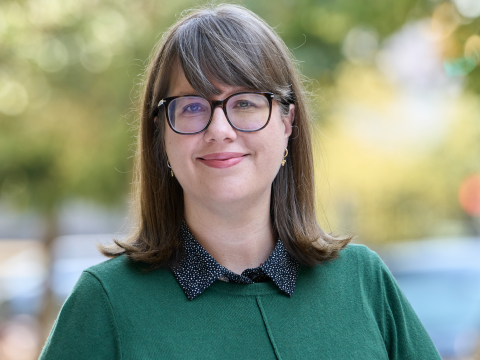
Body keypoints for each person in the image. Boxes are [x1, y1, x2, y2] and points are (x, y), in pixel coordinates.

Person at [39, 4, 442, 359]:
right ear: (160, 134)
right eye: (192, 106)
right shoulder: (106, 303)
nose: (219, 129)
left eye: (246, 103)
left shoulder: (363, 283)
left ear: (288, 122)